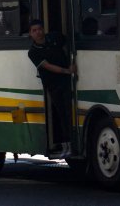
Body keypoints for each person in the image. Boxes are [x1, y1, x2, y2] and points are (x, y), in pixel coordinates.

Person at [27, 19, 76, 157]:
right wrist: (68, 70)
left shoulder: (54, 38)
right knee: (62, 114)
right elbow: (48, 66)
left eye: (39, 29)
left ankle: (72, 144)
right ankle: (66, 146)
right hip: (53, 85)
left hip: (67, 82)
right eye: (34, 30)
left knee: (69, 113)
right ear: (30, 34)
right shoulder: (33, 52)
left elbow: (70, 43)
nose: (38, 32)